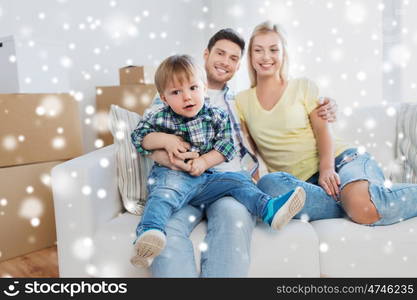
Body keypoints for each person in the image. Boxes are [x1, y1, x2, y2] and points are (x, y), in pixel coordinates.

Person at [145, 29, 337, 277]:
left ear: (238, 67)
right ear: (206, 54)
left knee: (232, 221)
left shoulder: (240, 103)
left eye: (234, 58)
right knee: (165, 226)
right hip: (183, 181)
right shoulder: (172, 91)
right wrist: (170, 159)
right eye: (220, 53)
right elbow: (147, 140)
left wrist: (327, 106)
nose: (225, 61)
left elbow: (278, 125)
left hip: (228, 186)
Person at [130, 54, 306, 267]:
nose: (187, 97)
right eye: (176, 92)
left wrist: (204, 162)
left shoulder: (216, 115)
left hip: (205, 178)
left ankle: (268, 208)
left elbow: (226, 147)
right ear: (164, 98)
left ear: (204, 88)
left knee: (238, 181)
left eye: (193, 88)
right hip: (173, 175)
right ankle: (150, 233)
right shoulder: (160, 117)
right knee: (162, 195)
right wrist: (165, 140)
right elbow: (139, 137)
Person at [236, 21, 417, 226]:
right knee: (268, 184)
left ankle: (356, 200)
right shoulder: (241, 101)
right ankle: (353, 201)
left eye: (273, 49)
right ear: (250, 56)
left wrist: (327, 169)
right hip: (305, 186)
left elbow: (323, 131)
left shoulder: (302, 86)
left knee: (363, 209)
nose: (266, 57)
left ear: (284, 53)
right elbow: (249, 152)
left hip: (343, 160)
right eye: (258, 50)